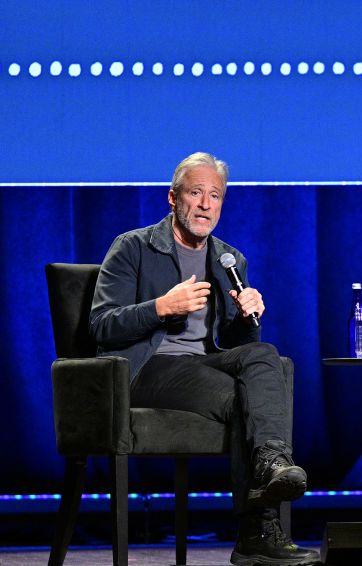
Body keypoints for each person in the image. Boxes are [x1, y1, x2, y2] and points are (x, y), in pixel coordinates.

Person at [90, 152, 319, 566]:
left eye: (215, 195)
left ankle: (271, 460)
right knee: (244, 401)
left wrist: (250, 315)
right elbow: (102, 326)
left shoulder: (228, 259)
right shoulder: (133, 247)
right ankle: (257, 532)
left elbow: (236, 343)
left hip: (202, 365)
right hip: (146, 368)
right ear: (173, 198)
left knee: (266, 355)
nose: (205, 204)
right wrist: (160, 307)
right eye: (195, 193)